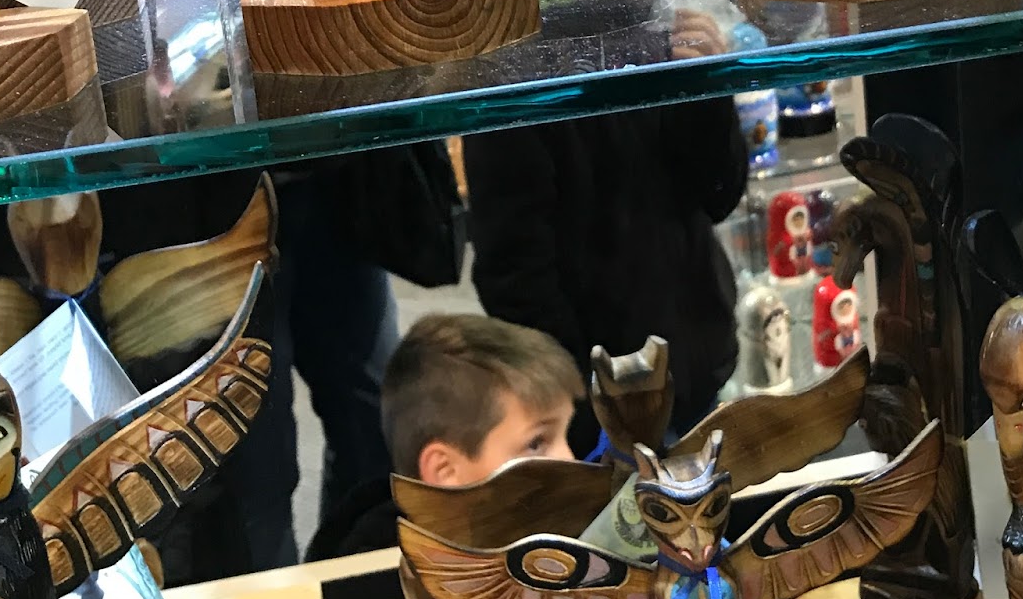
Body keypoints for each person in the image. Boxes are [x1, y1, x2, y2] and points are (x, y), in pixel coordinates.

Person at [462, 95, 749, 436]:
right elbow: (513, 277)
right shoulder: (514, 90)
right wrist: (581, 408)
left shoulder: (655, 62)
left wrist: (707, 87)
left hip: (698, 361)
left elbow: (720, 194)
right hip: (605, 401)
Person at [308, 313, 581, 560]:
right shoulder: (376, 583)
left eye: (564, 435)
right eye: (536, 444)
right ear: (446, 471)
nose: (571, 460)